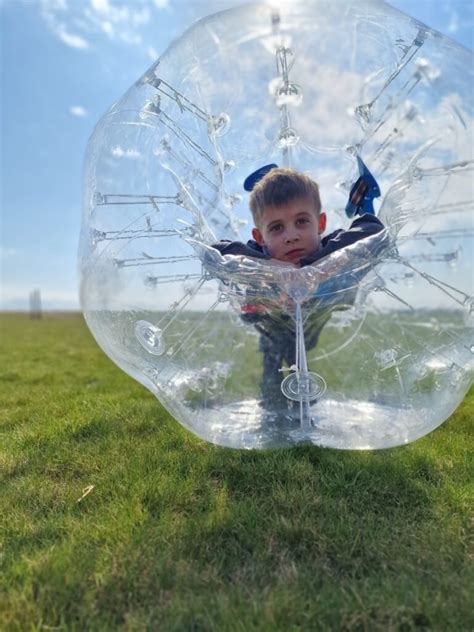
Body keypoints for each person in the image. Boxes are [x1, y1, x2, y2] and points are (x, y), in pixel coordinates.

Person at [211, 163, 388, 403]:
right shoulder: (258, 255)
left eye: (302, 221)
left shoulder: (330, 246)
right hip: (271, 327)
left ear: (320, 224)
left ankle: (305, 402)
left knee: (301, 362)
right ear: (260, 237)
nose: (291, 236)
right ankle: (271, 402)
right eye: (276, 228)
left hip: (312, 322)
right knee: (272, 369)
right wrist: (272, 267)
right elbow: (214, 252)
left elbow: (374, 230)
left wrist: (317, 267)